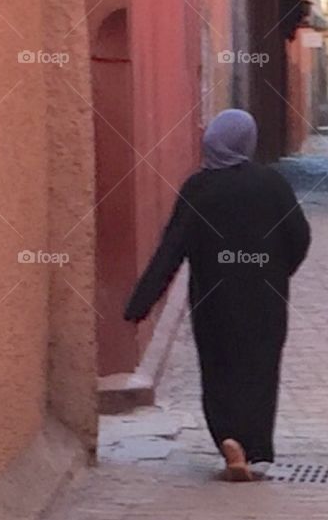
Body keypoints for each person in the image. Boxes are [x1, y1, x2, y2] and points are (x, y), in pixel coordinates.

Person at [123, 109, 311, 481]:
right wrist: (275, 272)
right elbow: (299, 236)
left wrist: (138, 306)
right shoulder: (272, 185)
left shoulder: (199, 189)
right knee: (259, 369)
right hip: (264, 299)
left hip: (213, 299)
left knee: (219, 368)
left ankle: (228, 437)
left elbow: (170, 252)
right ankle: (255, 448)